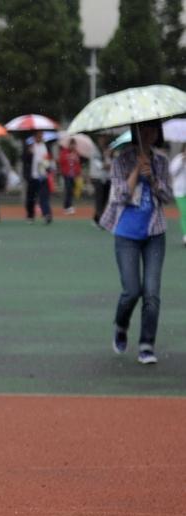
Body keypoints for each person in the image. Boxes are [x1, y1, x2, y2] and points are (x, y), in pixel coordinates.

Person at [97, 120, 171, 365]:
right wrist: (137, 171)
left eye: (152, 129)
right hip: (126, 234)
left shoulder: (161, 161)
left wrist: (152, 178)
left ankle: (146, 345)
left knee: (151, 293)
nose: (148, 134)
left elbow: (167, 196)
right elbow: (120, 195)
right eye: (143, 130)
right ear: (136, 132)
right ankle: (121, 325)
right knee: (132, 291)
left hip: (155, 233)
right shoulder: (121, 161)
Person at [28, 131, 53, 224]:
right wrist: (29, 153)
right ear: (34, 137)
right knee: (31, 197)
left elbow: (48, 159)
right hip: (33, 176)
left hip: (43, 176)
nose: (40, 137)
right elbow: (24, 159)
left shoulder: (45, 147)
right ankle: (30, 215)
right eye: (38, 136)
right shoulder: (30, 147)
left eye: (41, 136)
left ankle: (47, 214)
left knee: (44, 196)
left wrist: (48, 166)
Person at [90, 136, 112, 226]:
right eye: (102, 138)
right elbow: (101, 165)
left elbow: (111, 164)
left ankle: (96, 218)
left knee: (104, 199)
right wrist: (106, 162)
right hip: (97, 178)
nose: (104, 140)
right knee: (99, 200)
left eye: (105, 138)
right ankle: (100, 220)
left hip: (107, 178)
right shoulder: (95, 150)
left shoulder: (108, 150)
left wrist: (108, 156)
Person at [168, 147, 186, 246]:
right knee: (185, 212)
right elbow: (172, 171)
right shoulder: (178, 159)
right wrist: (182, 161)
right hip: (180, 191)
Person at [59, 140, 82, 215]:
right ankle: (67, 206)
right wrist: (68, 157)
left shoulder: (76, 153)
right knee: (68, 189)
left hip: (73, 175)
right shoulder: (64, 152)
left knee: (71, 190)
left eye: (74, 145)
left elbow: (78, 164)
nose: (73, 146)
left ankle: (68, 206)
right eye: (72, 145)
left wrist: (76, 160)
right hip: (66, 174)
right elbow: (61, 161)